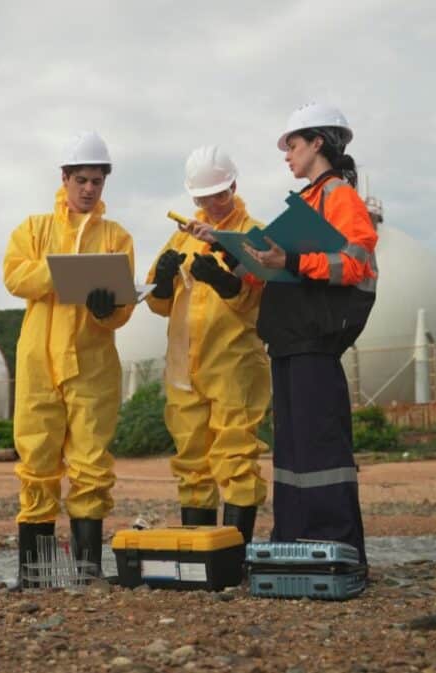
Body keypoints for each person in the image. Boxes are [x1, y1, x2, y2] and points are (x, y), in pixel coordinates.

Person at [241, 102, 378, 565]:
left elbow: (355, 263)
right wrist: (230, 259)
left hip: (316, 341)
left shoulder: (339, 195)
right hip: (290, 340)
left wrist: (293, 261)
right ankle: (294, 542)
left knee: (319, 446)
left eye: (292, 145)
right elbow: (275, 272)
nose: (286, 155)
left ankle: (334, 546)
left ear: (318, 143)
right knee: (294, 451)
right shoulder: (308, 201)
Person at [3, 131, 135, 582]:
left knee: (91, 466)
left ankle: (86, 573)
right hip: (39, 362)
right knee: (37, 463)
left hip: (93, 367)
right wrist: (59, 269)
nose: (89, 189)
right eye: (81, 179)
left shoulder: (117, 237)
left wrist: (107, 308)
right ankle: (36, 575)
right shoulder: (34, 229)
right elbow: (15, 277)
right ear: (64, 178)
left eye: (97, 181)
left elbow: (123, 308)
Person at [144, 146, 270, 548]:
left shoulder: (254, 235)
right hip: (184, 368)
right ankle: (200, 554)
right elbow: (159, 303)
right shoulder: (182, 236)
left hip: (233, 364)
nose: (211, 205)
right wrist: (162, 283)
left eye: (219, 194)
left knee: (235, 456)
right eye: (202, 197)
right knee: (192, 462)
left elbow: (258, 299)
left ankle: (236, 553)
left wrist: (224, 280)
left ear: (233, 186)